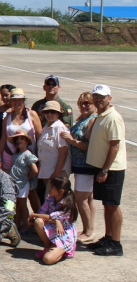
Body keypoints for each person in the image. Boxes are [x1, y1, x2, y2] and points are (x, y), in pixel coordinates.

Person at [85, 84, 126, 257]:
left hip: (111, 169)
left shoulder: (113, 117)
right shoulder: (100, 116)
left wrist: (105, 169)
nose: (98, 99)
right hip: (101, 167)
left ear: (110, 98)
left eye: (102, 96)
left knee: (112, 205)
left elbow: (115, 146)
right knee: (106, 205)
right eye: (96, 96)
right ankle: (108, 237)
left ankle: (116, 244)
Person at [60, 91, 98, 243]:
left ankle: (88, 231)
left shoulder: (92, 121)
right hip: (79, 165)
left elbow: (90, 145)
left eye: (87, 103)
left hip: (86, 165)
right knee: (88, 198)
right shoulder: (83, 119)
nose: (84, 106)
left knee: (80, 198)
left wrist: (71, 141)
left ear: (94, 104)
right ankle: (89, 227)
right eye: (81, 103)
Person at [29, 176, 78, 265]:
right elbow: (43, 212)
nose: (49, 189)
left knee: (48, 259)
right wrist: (56, 221)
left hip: (64, 234)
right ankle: (50, 247)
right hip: (54, 227)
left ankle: (66, 249)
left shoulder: (67, 204)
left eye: (52, 187)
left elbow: (51, 217)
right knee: (38, 222)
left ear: (61, 191)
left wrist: (33, 215)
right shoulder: (50, 198)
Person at [35, 101, 71, 205]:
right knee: (50, 202)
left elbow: (63, 153)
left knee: (55, 202)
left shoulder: (59, 127)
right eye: (47, 112)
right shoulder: (46, 127)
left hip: (58, 173)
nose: (49, 114)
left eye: (53, 112)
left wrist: (56, 174)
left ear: (59, 114)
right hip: (47, 172)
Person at [0, 88, 41, 174]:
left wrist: (39, 154)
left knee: (28, 180)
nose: (17, 102)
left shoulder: (32, 114)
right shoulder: (7, 117)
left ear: (23, 101)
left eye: (20, 100)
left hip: (28, 155)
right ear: (11, 101)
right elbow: (3, 139)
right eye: (14, 100)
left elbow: (39, 136)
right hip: (9, 154)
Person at [9, 129, 38, 233]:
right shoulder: (15, 154)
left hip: (23, 183)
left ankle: (25, 225)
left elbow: (34, 170)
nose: (19, 141)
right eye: (17, 139)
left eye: (22, 139)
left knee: (22, 205)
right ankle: (16, 224)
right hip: (15, 183)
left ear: (26, 141)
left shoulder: (28, 154)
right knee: (15, 205)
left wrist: (28, 177)